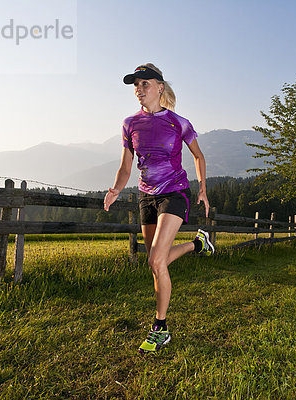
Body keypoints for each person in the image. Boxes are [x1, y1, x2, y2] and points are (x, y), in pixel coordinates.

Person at [104, 63, 214, 354]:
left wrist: (202, 187)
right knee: (157, 262)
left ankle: (160, 328)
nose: (139, 90)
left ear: (160, 87)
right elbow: (126, 165)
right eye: (136, 86)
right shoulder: (130, 123)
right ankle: (196, 245)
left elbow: (198, 157)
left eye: (145, 84)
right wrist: (116, 188)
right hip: (146, 197)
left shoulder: (179, 122)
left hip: (174, 193)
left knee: (155, 260)